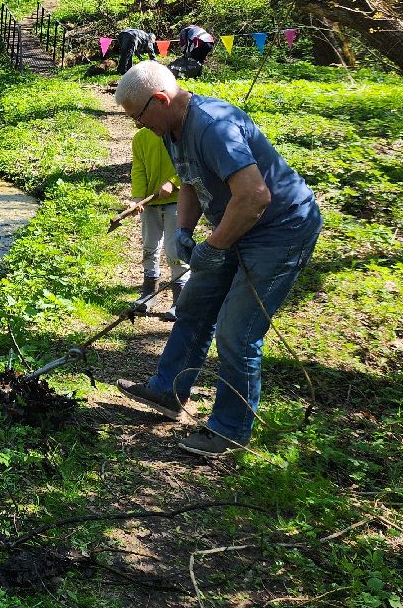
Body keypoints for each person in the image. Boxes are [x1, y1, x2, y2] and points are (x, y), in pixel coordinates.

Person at [112, 63, 322, 458]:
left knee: (236, 332)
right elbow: (189, 181)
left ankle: (229, 430)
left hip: (280, 231)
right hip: (237, 225)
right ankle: (168, 391)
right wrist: (185, 232)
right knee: (194, 306)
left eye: (139, 118)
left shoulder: (212, 126)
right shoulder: (171, 129)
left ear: (160, 100)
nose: (139, 127)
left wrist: (215, 246)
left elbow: (256, 196)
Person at [129, 126, 187, 320]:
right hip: (150, 204)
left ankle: (180, 300)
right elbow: (138, 169)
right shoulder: (140, 138)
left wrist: (173, 182)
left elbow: (190, 164)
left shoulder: (177, 133)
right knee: (149, 246)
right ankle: (148, 293)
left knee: (174, 249)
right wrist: (138, 196)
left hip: (177, 202)